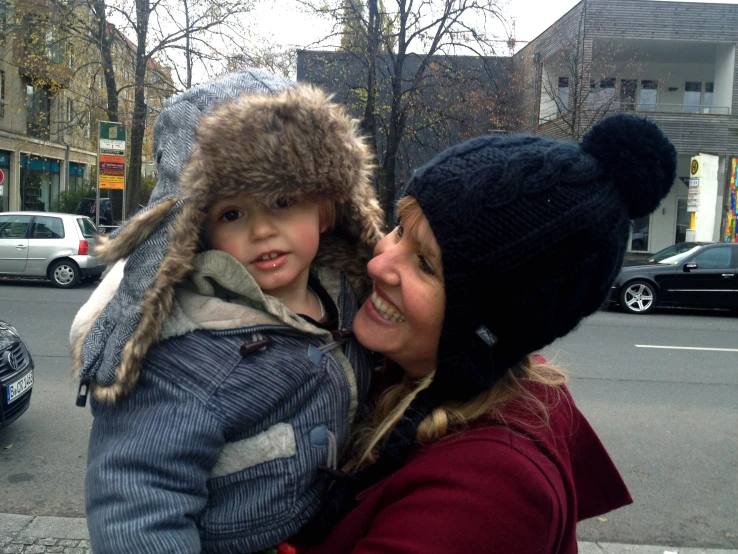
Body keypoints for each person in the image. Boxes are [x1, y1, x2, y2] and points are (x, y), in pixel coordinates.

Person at [296, 113, 678, 553]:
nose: (378, 263)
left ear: (485, 327)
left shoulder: (485, 496)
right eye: (400, 230)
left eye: (424, 263)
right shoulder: (399, 373)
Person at [68, 69, 384, 553]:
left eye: (283, 201)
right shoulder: (182, 354)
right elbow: (137, 501)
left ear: (325, 208)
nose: (262, 230)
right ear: (198, 230)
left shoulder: (348, 296)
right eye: (233, 214)